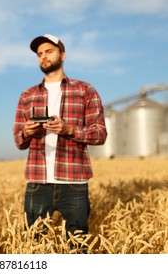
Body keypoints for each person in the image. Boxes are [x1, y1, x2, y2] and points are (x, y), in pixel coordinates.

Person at [13, 34, 107, 237]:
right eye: (39, 54)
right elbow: (18, 141)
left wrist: (69, 129)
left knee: (77, 244)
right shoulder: (27, 96)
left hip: (74, 183)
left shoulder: (85, 90)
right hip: (38, 183)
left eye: (49, 51)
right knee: (34, 245)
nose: (43, 57)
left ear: (62, 55)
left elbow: (100, 134)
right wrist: (26, 133)